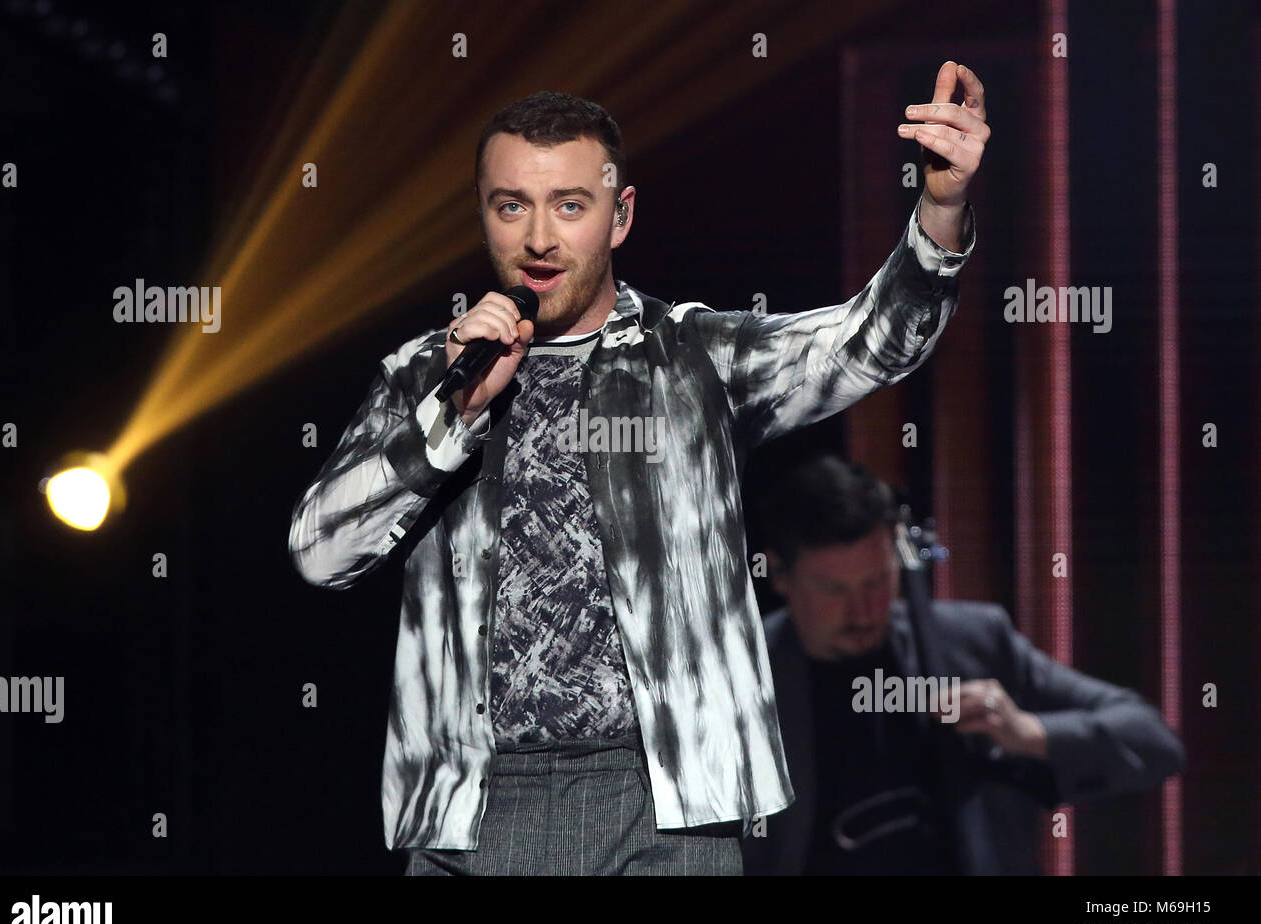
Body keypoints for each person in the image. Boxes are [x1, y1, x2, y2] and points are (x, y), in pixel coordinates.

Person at [287, 64, 988, 875]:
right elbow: (320, 552)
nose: (539, 238)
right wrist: (455, 415)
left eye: (569, 206)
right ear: (483, 214)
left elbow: (868, 342)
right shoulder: (426, 375)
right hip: (469, 806)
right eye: (511, 205)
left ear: (619, 217)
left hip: (664, 802)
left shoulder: (692, 358)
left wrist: (939, 210)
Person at [741, 455, 1186, 875]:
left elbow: (1153, 741)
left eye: (878, 580)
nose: (862, 611)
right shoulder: (741, 682)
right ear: (779, 574)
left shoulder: (972, 641)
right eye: (834, 590)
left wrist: (1029, 732)